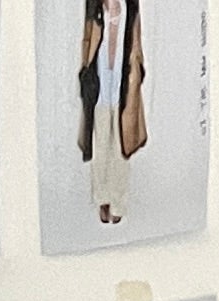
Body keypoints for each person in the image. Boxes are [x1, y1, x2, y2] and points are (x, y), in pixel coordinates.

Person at [79, 0, 146, 226]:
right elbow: (87, 37)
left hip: (123, 79)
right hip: (99, 79)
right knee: (100, 142)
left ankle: (118, 201)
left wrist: (137, 72)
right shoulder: (94, 4)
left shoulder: (131, 4)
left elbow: (136, 40)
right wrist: (85, 72)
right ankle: (102, 198)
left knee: (121, 143)